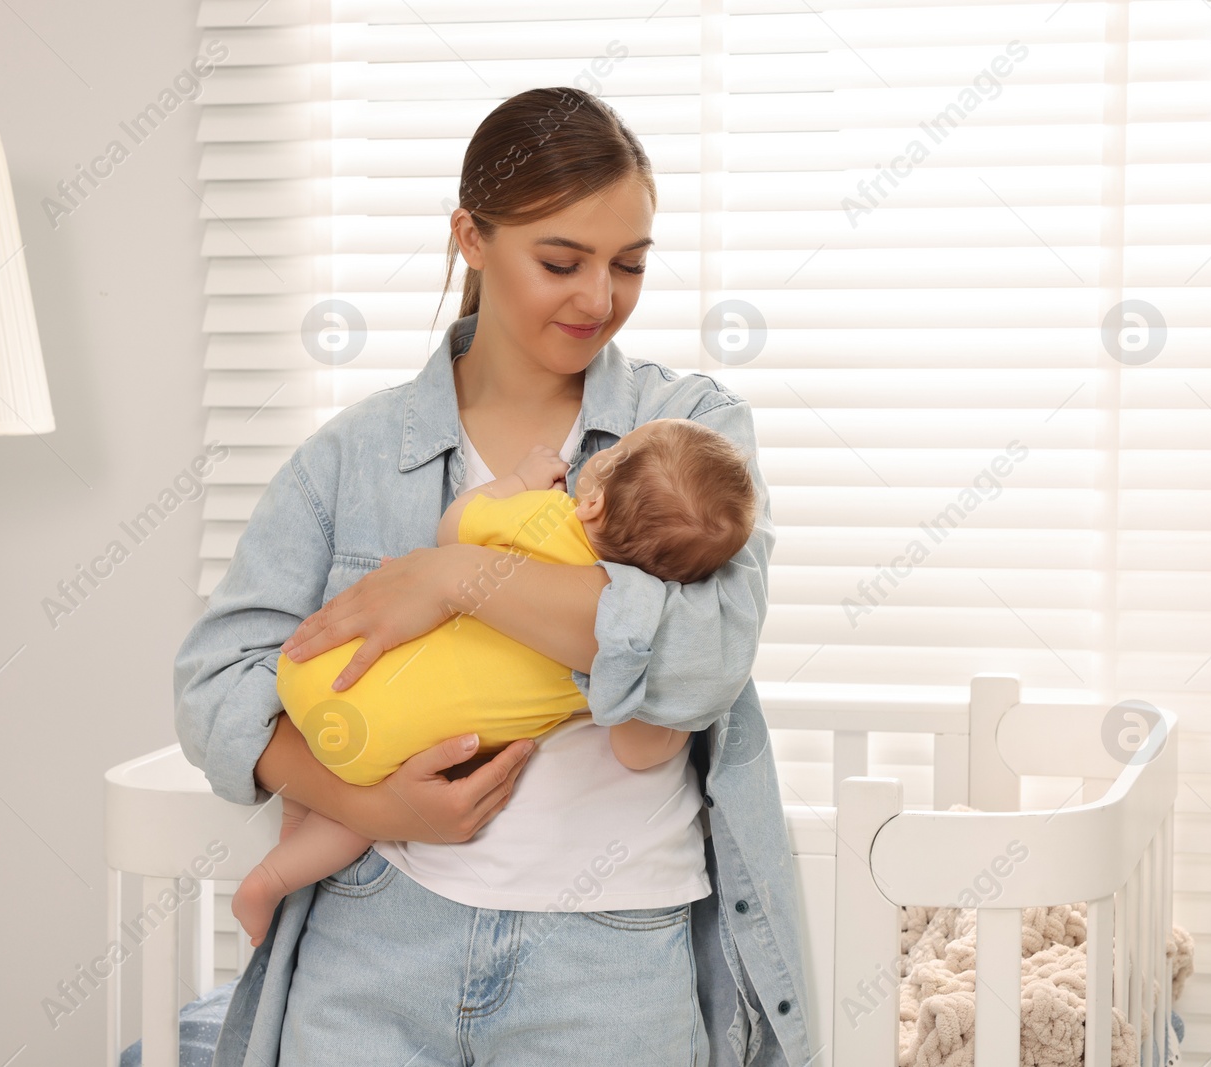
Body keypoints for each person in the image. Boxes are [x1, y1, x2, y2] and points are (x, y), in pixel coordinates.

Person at [174, 85, 813, 1067]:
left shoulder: (687, 433)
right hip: (374, 937)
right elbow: (218, 684)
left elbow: (702, 657)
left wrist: (451, 577)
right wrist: (370, 805)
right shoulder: (352, 457)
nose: (598, 298)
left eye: (628, 265)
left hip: (611, 952)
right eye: (561, 261)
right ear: (471, 237)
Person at [230, 418, 760, 945]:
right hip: (381, 747)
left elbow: (455, 527)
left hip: (318, 671)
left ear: (593, 503)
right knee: (357, 811)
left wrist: (521, 482)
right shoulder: (622, 644)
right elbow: (636, 751)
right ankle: (271, 880)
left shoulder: (545, 517)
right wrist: (674, 724)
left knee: (319, 778)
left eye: (615, 454)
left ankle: (294, 821)